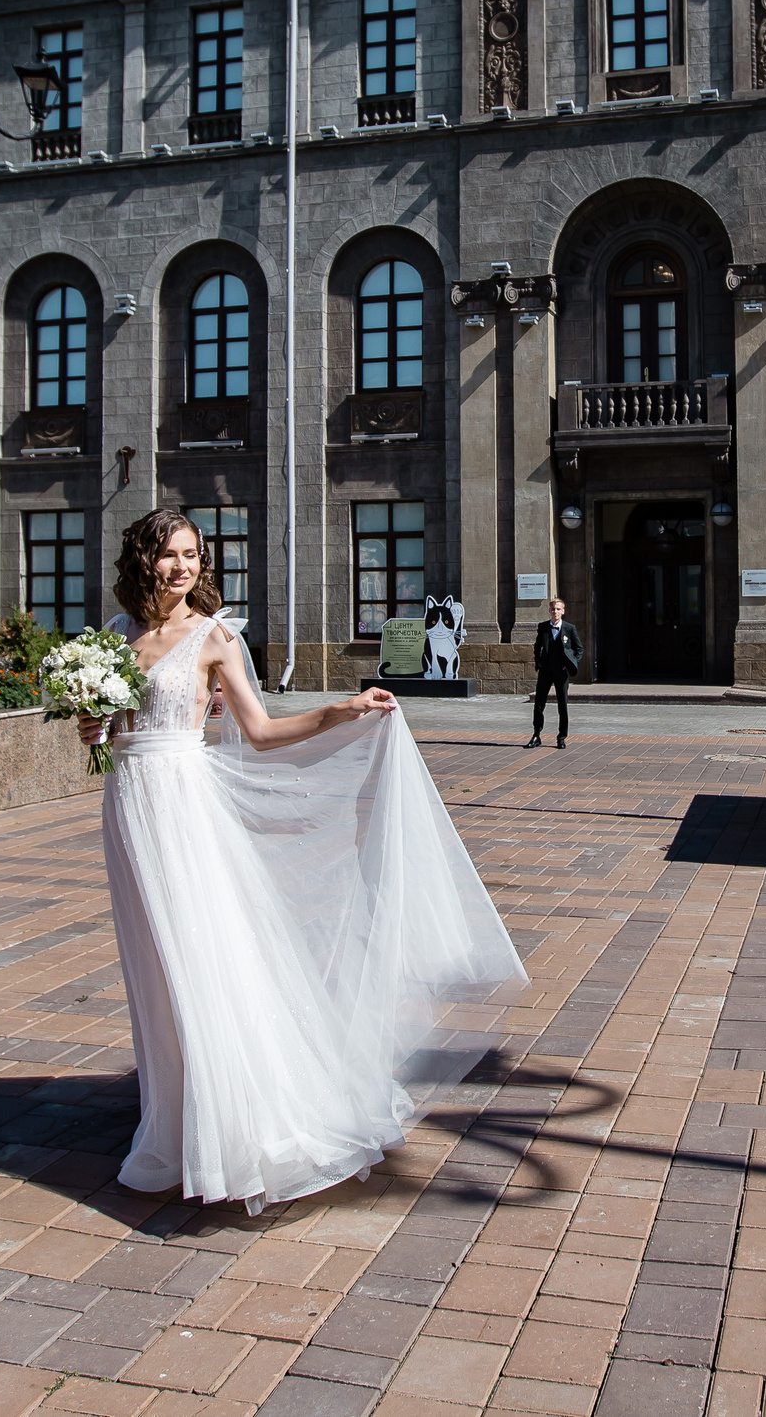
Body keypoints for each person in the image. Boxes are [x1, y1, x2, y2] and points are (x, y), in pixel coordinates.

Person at [77, 509, 527, 1211]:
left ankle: (241, 1125)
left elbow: (258, 732)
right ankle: (172, 1117)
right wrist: (90, 724)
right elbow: (106, 733)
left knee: (200, 960)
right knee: (153, 970)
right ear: (142, 558)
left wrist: (342, 710)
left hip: (183, 812)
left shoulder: (214, 637)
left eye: (191, 555)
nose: (181, 567)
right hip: (128, 809)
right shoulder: (114, 635)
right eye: (168, 554)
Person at [528, 597, 581, 750]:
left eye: (558, 609)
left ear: (563, 611)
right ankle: (536, 735)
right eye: (553, 609)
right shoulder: (543, 627)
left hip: (561, 672)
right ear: (549, 611)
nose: (555, 611)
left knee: (562, 705)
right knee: (539, 704)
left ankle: (561, 737)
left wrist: (572, 663)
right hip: (545, 670)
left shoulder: (570, 628)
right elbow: (537, 647)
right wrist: (538, 662)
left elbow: (579, 648)